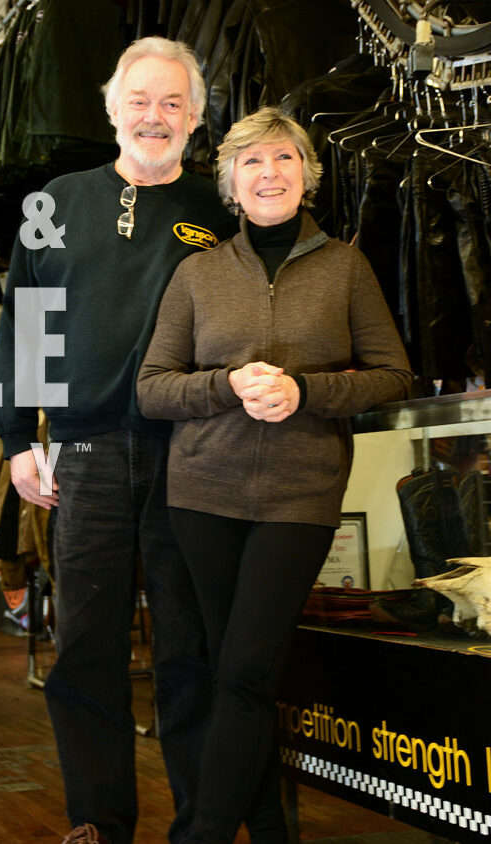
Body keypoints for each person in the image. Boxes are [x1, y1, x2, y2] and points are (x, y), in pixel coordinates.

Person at [135, 107, 412, 844]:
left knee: (247, 671)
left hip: (300, 494)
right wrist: (227, 384)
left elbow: (393, 375)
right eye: (252, 162)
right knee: (232, 673)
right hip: (203, 494)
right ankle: (269, 832)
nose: (269, 174)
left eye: (284, 159)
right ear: (230, 182)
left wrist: (307, 393)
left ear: (306, 173)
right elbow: (153, 388)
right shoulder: (197, 273)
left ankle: (202, 835)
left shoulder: (346, 265)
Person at [0, 37, 237, 844]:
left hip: (193, 456)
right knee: (86, 648)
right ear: (110, 109)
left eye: (172, 103)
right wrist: (14, 438)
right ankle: (98, 820)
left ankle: (203, 824)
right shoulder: (54, 201)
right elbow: (24, 330)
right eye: (140, 101)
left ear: (197, 117)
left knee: (189, 648)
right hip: (84, 456)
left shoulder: (219, 207)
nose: (154, 117)